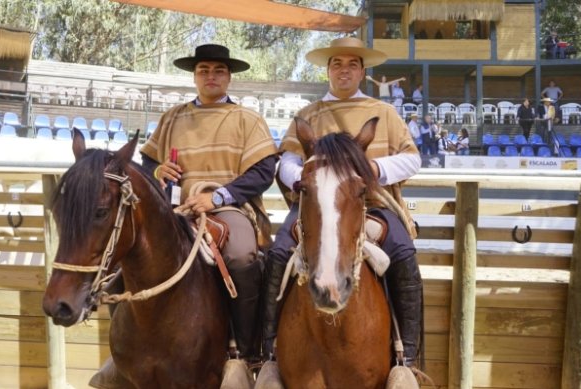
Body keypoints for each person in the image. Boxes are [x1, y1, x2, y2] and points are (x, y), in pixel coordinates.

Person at [90, 44, 278, 387]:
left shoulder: (247, 120)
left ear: (229, 77)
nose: (211, 76)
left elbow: (264, 170)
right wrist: (158, 169)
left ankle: (245, 352)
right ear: (194, 75)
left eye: (218, 70)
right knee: (124, 261)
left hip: (229, 209)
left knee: (242, 258)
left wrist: (218, 195)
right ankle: (122, 355)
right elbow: (147, 163)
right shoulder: (173, 117)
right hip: (175, 209)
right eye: (204, 69)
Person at [262, 37, 424, 369]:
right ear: (328, 71)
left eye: (352, 64)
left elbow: (412, 160)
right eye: (337, 64)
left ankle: (407, 356)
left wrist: (374, 169)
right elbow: (289, 161)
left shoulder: (384, 113)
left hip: (373, 204)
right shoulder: (308, 114)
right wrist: (303, 179)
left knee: (403, 251)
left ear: (362, 71)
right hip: (316, 205)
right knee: (278, 252)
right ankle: (266, 350)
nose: (344, 70)